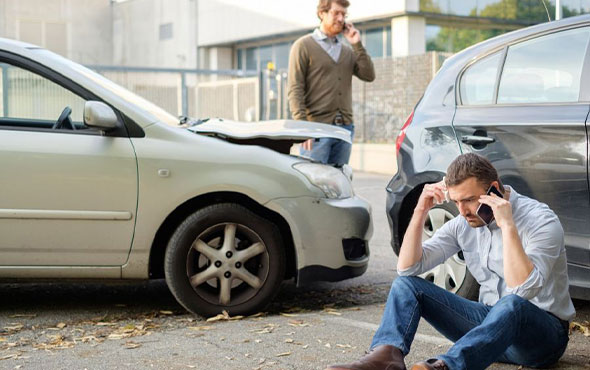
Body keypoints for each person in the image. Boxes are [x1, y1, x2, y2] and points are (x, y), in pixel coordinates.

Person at [327, 153, 575, 370]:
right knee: (406, 285)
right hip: (488, 331)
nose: (463, 210)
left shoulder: (540, 220)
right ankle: (386, 357)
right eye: (456, 201)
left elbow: (523, 289)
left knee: (512, 303)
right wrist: (420, 210)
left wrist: (507, 226)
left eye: (468, 199)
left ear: (494, 190)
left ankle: (449, 366)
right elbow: (408, 267)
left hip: (540, 339)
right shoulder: (463, 224)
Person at [287, 0, 375, 166]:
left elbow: (368, 75)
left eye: (344, 14)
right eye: (336, 13)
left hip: (345, 129)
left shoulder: (347, 50)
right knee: (313, 184)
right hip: (316, 130)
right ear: (322, 13)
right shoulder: (303, 46)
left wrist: (357, 44)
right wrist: (303, 127)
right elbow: (295, 88)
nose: (341, 18)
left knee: (338, 185)